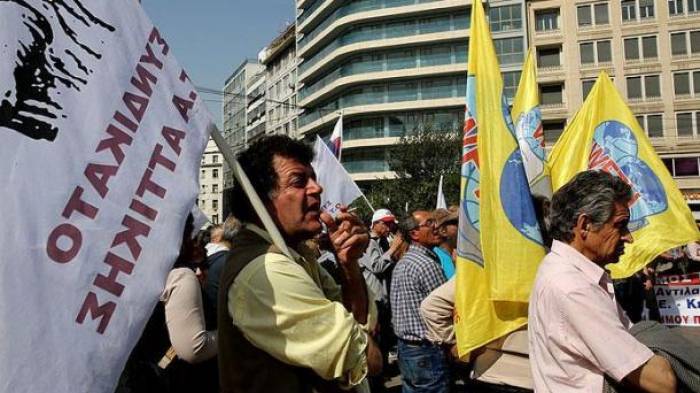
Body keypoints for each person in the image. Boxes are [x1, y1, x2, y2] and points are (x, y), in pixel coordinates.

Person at [218, 135, 382, 392]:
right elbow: (367, 360)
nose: (317, 188)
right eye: (299, 181)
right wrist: (361, 339)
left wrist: (348, 264)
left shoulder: (297, 254)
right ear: (260, 200)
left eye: (313, 178)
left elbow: (359, 323)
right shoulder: (265, 271)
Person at [528, 170, 676, 393]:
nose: (628, 237)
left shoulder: (562, 270)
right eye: (620, 225)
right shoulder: (572, 287)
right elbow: (661, 381)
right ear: (585, 225)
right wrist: (668, 353)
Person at [117, 215, 218, 393]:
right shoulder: (179, 275)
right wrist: (231, 332)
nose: (195, 241)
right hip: (175, 380)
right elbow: (193, 349)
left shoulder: (130, 271)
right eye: (191, 233)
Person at [391, 210, 449, 393]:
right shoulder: (426, 264)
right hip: (426, 350)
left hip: (407, 349)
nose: (436, 227)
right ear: (414, 233)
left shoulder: (405, 261)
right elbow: (445, 310)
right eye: (430, 223)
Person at [432, 208, 458, 279]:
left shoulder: (449, 255)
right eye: (455, 223)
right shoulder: (438, 258)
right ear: (443, 230)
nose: (460, 227)